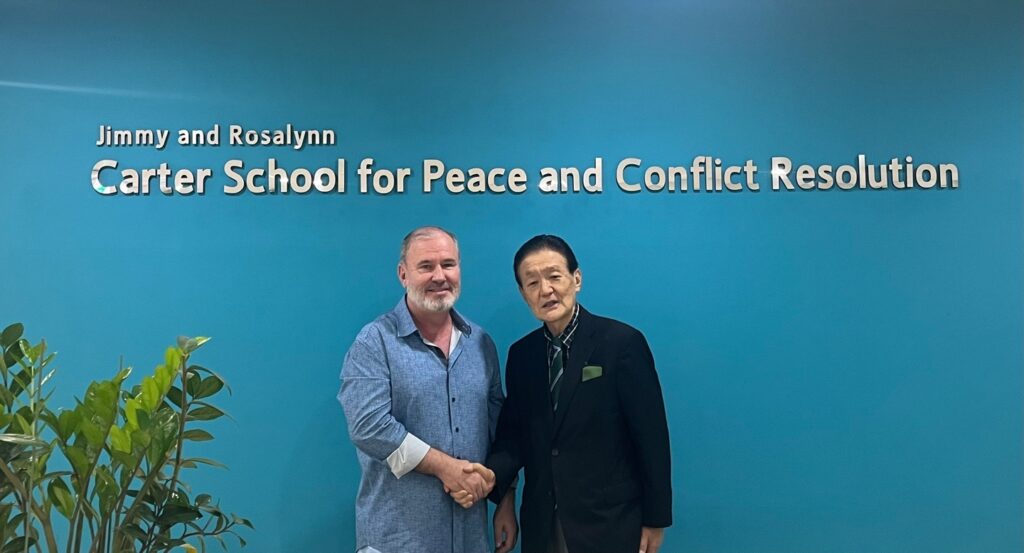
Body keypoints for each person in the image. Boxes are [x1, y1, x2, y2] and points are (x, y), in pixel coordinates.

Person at [460, 234, 672, 553]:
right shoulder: (522, 355)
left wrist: (655, 519)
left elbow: (651, 437)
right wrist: (491, 478)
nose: (545, 290)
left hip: (610, 523)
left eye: (554, 276)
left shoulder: (621, 344)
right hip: (542, 522)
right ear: (523, 293)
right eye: (532, 283)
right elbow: (514, 436)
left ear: (577, 279)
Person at [339, 226, 502, 553]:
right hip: (397, 541)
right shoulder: (374, 342)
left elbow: (499, 427)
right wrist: (447, 468)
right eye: (426, 266)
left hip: (470, 539)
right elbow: (368, 427)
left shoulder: (480, 343)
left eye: (448, 264)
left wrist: (502, 493)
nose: (440, 276)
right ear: (403, 274)